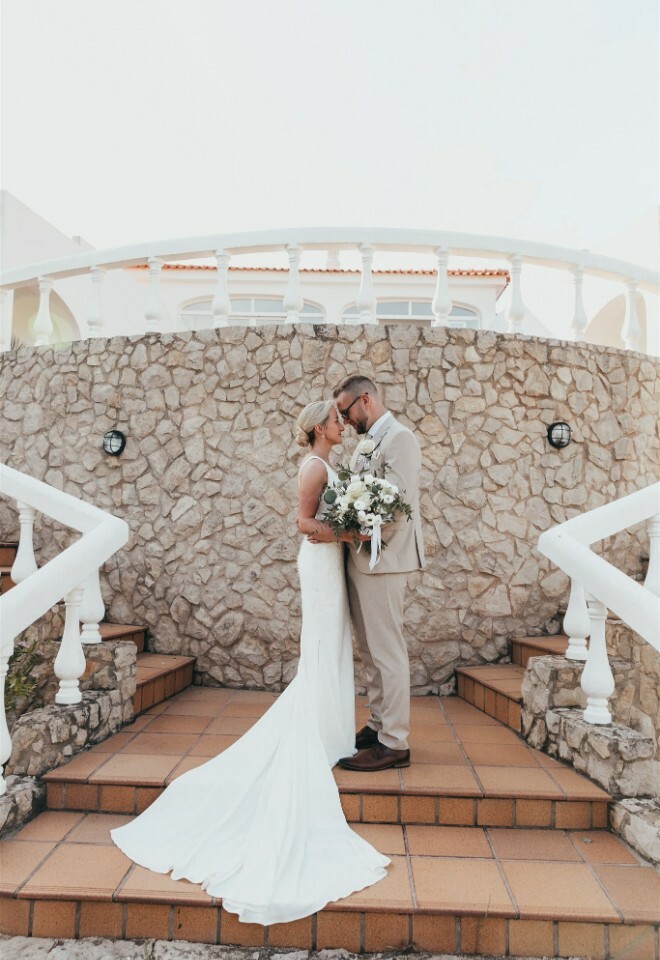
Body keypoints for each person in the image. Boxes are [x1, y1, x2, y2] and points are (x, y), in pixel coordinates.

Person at [111, 399, 389, 926]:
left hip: (331, 566)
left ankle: (332, 734)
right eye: (334, 418)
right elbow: (304, 524)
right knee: (321, 646)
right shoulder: (313, 467)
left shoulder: (333, 467)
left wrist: (354, 525)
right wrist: (352, 534)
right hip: (320, 562)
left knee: (331, 648)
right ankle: (320, 733)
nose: (341, 423)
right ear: (316, 428)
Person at [329, 375, 425, 772]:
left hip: (385, 560)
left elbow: (397, 504)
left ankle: (395, 742)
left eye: (346, 411)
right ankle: (377, 724)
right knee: (369, 650)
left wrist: (354, 527)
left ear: (364, 400)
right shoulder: (367, 444)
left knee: (387, 650)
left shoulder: (400, 439)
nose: (345, 421)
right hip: (361, 558)